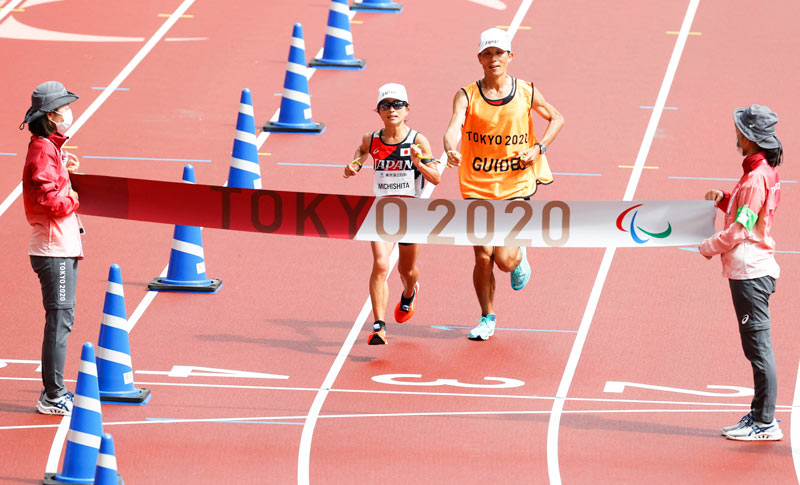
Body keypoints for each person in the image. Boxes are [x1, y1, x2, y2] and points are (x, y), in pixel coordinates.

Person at [443, 28, 564, 340]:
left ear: (510, 56)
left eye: (499, 53)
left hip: (514, 185)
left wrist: (539, 148)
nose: (493, 59)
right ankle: (487, 317)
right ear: (479, 59)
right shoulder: (467, 94)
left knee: (504, 261)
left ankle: (519, 255)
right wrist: (449, 148)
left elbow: (557, 118)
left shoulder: (525, 91)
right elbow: (453, 127)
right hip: (477, 186)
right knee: (483, 255)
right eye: (487, 54)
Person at [700, 104, 783, 441]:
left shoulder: (755, 178)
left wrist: (708, 246)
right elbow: (747, 212)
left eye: (739, 131)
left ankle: (765, 422)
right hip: (751, 269)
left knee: (759, 348)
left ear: (749, 138)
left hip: (750, 272)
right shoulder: (759, 172)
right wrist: (724, 199)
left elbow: (740, 231)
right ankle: (759, 414)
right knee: (756, 348)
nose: (735, 135)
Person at [344, 83, 440, 345]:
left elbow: (437, 178)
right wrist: (354, 165)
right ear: (379, 111)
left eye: (397, 105)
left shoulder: (418, 140)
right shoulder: (371, 139)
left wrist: (419, 162)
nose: (392, 109)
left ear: (407, 109)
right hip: (383, 212)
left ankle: (410, 293)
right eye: (385, 105)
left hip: (411, 215)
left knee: (406, 270)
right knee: (381, 264)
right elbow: (361, 152)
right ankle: (379, 326)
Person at [20, 81, 83, 415]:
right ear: (48, 117)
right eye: (62, 110)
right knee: (59, 321)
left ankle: (55, 390)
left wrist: (64, 172)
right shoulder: (43, 149)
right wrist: (71, 197)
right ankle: (53, 394)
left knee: (63, 319)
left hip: (61, 246)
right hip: (52, 248)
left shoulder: (49, 148)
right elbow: (48, 199)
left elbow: (50, 184)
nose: (67, 114)